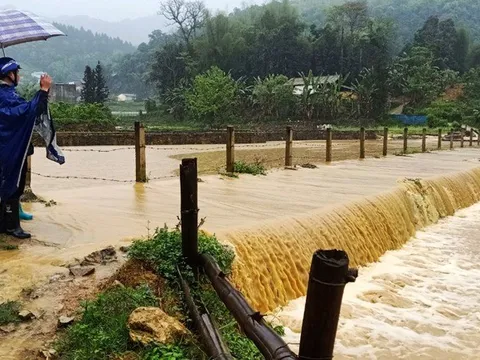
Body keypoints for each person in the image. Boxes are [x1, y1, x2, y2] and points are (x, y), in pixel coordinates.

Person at [0, 57, 52, 239]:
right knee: (14, 184)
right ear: (9, 74)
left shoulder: (6, 95)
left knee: (6, 182)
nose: (19, 76)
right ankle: (12, 226)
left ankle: (4, 224)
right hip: (10, 149)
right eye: (17, 72)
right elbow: (28, 111)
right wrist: (43, 90)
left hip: (6, 148)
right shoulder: (6, 97)